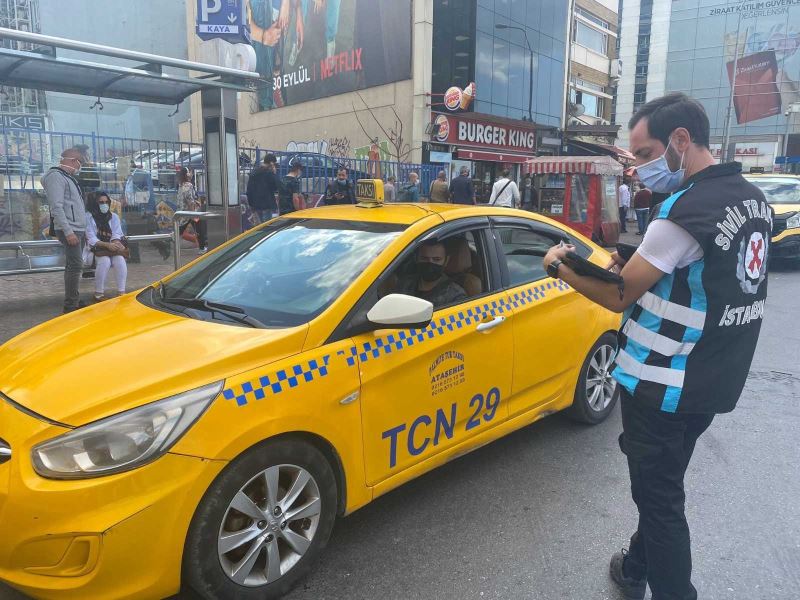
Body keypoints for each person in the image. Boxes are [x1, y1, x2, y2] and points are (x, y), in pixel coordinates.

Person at [542, 93, 772, 600]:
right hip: (714, 380)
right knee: (662, 484)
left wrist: (560, 265)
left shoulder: (685, 210)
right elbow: (704, 279)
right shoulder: (752, 198)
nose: (640, 168)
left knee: (659, 498)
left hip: (663, 385)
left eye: (645, 154)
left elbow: (617, 293)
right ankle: (636, 565)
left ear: (680, 142)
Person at [42, 148, 86, 313]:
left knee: (75, 266)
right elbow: (57, 207)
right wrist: (68, 231)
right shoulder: (56, 177)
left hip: (77, 228)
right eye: (80, 162)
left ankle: (74, 298)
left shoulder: (66, 177)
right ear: (73, 160)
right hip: (71, 229)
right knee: (75, 266)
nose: (80, 166)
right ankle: (70, 306)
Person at [396, 240, 467, 307]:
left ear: (446, 260)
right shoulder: (405, 283)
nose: (430, 263)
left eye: (436, 259)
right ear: (417, 258)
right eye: (424, 258)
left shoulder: (456, 296)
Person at [85, 191, 127, 302]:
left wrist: (116, 242)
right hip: (95, 251)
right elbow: (91, 238)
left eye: (106, 202)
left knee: (120, 259)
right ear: (95, 203)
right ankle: (98, 294)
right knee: (105, 261)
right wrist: (107, 245)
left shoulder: (113, 217)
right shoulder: (88, 217)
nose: (104, 204)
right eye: (101, 202)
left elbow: (117, 233)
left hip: (111, 249)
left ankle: (121, 292)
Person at [177, 167, 207, 254]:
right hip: (190, 212)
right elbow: (189, 199)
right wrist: (193, 213)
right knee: (199, 230)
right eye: (189, 172)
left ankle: (168, 240)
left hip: (183, 212)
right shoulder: (188, 185)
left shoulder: (181, 184)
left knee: (180, 230)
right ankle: (202, 248)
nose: (191, 173)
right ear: (187, 174)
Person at [246, 153, 280, 222]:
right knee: (266, 227)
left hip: (255, 205)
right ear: (271, 163)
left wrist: (251, 205)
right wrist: (274, 173)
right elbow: (276, 187)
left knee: (259, 228)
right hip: (267, 205)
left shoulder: (254, 172)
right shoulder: (269, 173)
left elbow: (249, 190)